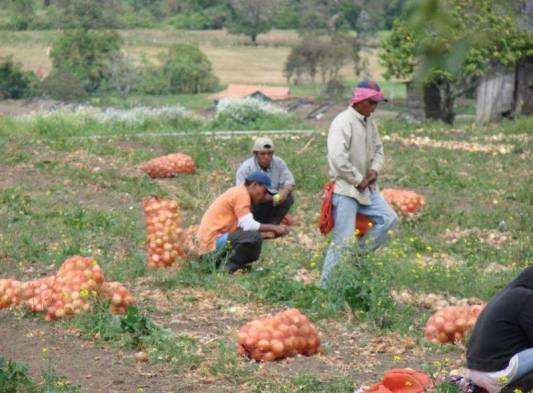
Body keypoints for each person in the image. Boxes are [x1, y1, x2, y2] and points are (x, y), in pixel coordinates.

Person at [319, 80, 398, 288]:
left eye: (376, 104)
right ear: (360, 100)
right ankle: (325, 288)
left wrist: (374, 170)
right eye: (371, 103)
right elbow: (337, 158)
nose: (374, 108)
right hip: (346, 189)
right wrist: (357, 178)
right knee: (341, 241)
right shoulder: (342, 122)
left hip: (367, 188)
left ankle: (355, 256)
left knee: (389, 219)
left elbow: (379, 151)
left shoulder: (369, 122)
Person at [197, 171, 289, 273]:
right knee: (254, 237)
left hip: (210, 245)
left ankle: (226, 266)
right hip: (211, 245)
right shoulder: (241, 194)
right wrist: (275, 227)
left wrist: (266, 234)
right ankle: (227, 269)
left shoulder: (239, 192)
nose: (264, 196)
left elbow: (240, 230)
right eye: (264, 192)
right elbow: (248, 225)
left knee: (254, 238)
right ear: (254, 185)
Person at [465, 266, 533, 393]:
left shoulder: (510, 294)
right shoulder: (526, 298)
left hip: (477, 371)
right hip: (495, 373)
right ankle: (511, 390)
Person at [236, 137, 295, 225]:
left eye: (269, 153)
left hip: (273, 199)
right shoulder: (246, 168)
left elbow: (289, 181)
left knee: (288, 197)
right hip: (254, 203)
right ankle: (254, 225)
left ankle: (273, 224)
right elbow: (241, 193)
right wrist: (271, 198)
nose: (266, 157)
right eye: (262, 154)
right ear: (255, 154)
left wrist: (284, 192)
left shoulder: (279, 163)